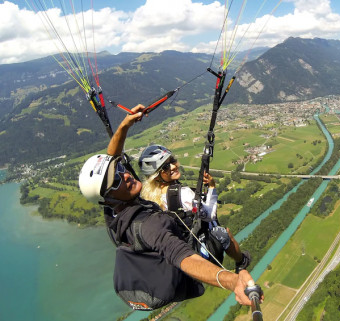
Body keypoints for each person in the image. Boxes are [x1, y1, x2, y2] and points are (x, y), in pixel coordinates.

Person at [78, 104, 259, 309]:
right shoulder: (149, 224)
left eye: (121, 169)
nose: (126, 175)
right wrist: (233, 281)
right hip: (185, 260)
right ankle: (241, 261)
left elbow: (112, 159)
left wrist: (124, 126)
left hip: (151, 269)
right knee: (222, 233)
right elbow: (182, 256)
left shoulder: (113, 213)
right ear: (109, 197)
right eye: (117, 181)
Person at [138, 144, 250, 272]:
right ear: (157, 175)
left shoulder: (148, 198)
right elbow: (210, 215)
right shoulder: (183, 193)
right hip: (197, 250)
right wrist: (212, 187)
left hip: (177, 251)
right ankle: (242, 262)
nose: (173, 166)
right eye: (165, 167)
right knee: (224, 233)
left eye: (172, 160)